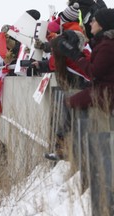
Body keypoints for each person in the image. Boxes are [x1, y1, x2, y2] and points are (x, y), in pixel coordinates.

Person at [46, 8, 114, 161]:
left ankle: (64, 147)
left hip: (106, 92)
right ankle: (64, 146)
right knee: (70, 100)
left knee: (69, 101)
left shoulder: (108, 46)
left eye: (94, 20)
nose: (91, 23)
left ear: (102, 24)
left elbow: (94, 72)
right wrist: (77, 54)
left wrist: (76, 55)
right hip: (103, 89)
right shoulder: (105, 43)